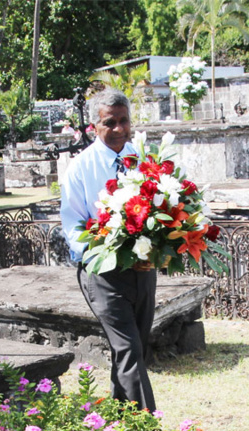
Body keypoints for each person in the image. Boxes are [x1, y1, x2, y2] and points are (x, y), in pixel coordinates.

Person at [60, 88, 157, 412]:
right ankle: (147, 428)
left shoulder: (143, 160)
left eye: (123, 121)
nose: (118, 129)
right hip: (103, 272)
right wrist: (104, 254)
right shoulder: (81, 168)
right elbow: (73, 225)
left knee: (133, 349)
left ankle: (119, 421)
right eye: (109, 122)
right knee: (129, 348)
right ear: (94, 126)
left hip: (142, 269)